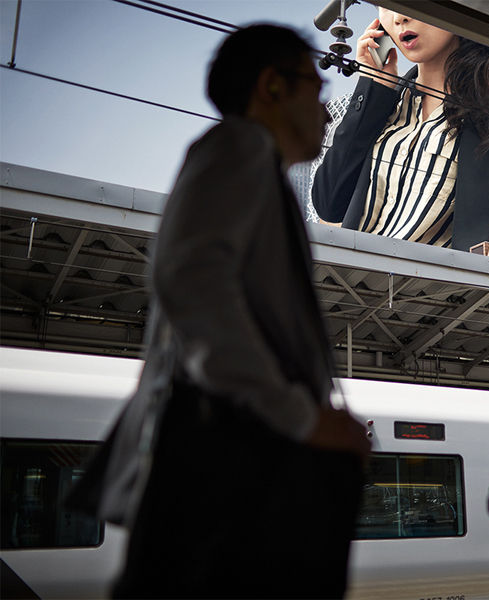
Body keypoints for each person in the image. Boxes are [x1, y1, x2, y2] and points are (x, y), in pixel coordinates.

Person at [68, 24, 371, 598]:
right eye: (317, 85)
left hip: (227, 455)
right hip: (224, 459)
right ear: (271, 86)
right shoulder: (237, 147)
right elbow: (192, 280)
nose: (327, 111)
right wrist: (301, 416)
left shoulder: (257, 169)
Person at [312, 8, 489, 263]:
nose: (399, 17)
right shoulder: (382, 102)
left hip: (439, 293)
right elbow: (328, 203)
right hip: (346, 286)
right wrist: (373, 86)